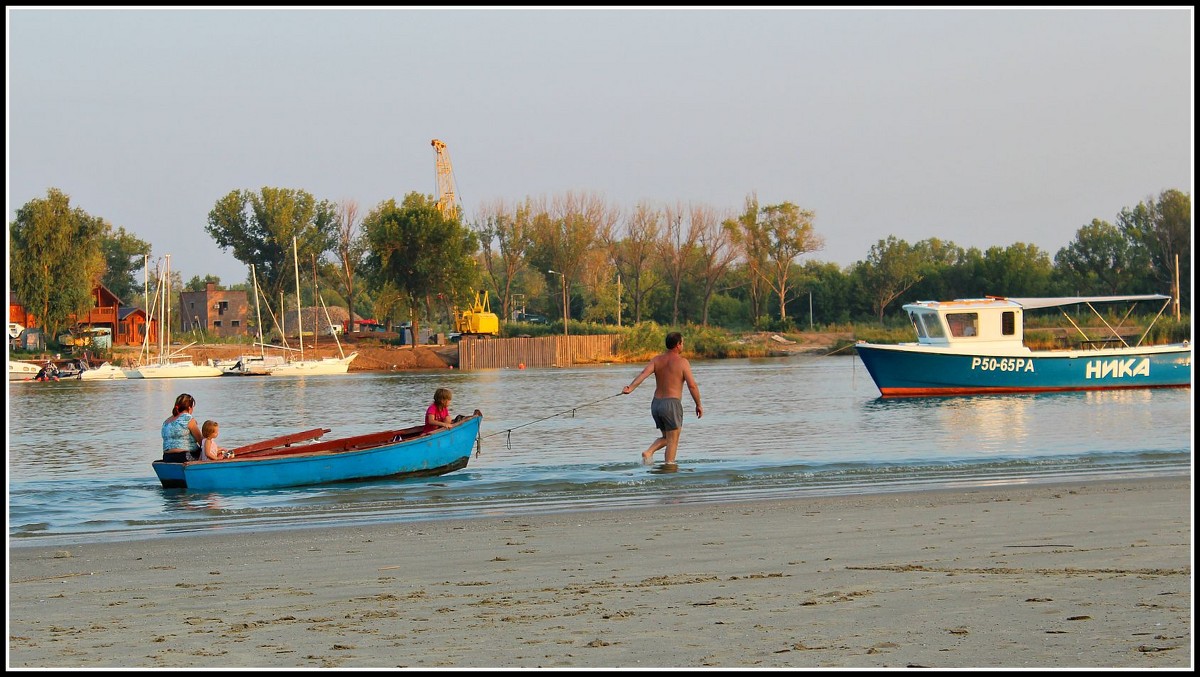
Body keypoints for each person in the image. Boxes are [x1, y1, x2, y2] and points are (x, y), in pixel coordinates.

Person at [621, 331, 703, 465]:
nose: (683, 346)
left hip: (656, 405)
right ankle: (669, 468)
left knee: (667, 437)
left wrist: (630, 388)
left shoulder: (657, 360)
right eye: (682, 343)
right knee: (673, 440)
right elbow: (692, 385)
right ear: (677, 345)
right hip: (671, 404)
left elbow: (643, 374)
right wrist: (698, 404)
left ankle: (649, 452)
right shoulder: (682, 362)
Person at [161, 393, 203, 463]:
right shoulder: (188, 418)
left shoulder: (166, 422)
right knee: (207, 450)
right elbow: (201, 442)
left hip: (167, 457)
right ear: (190, 408)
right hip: (184, 456)